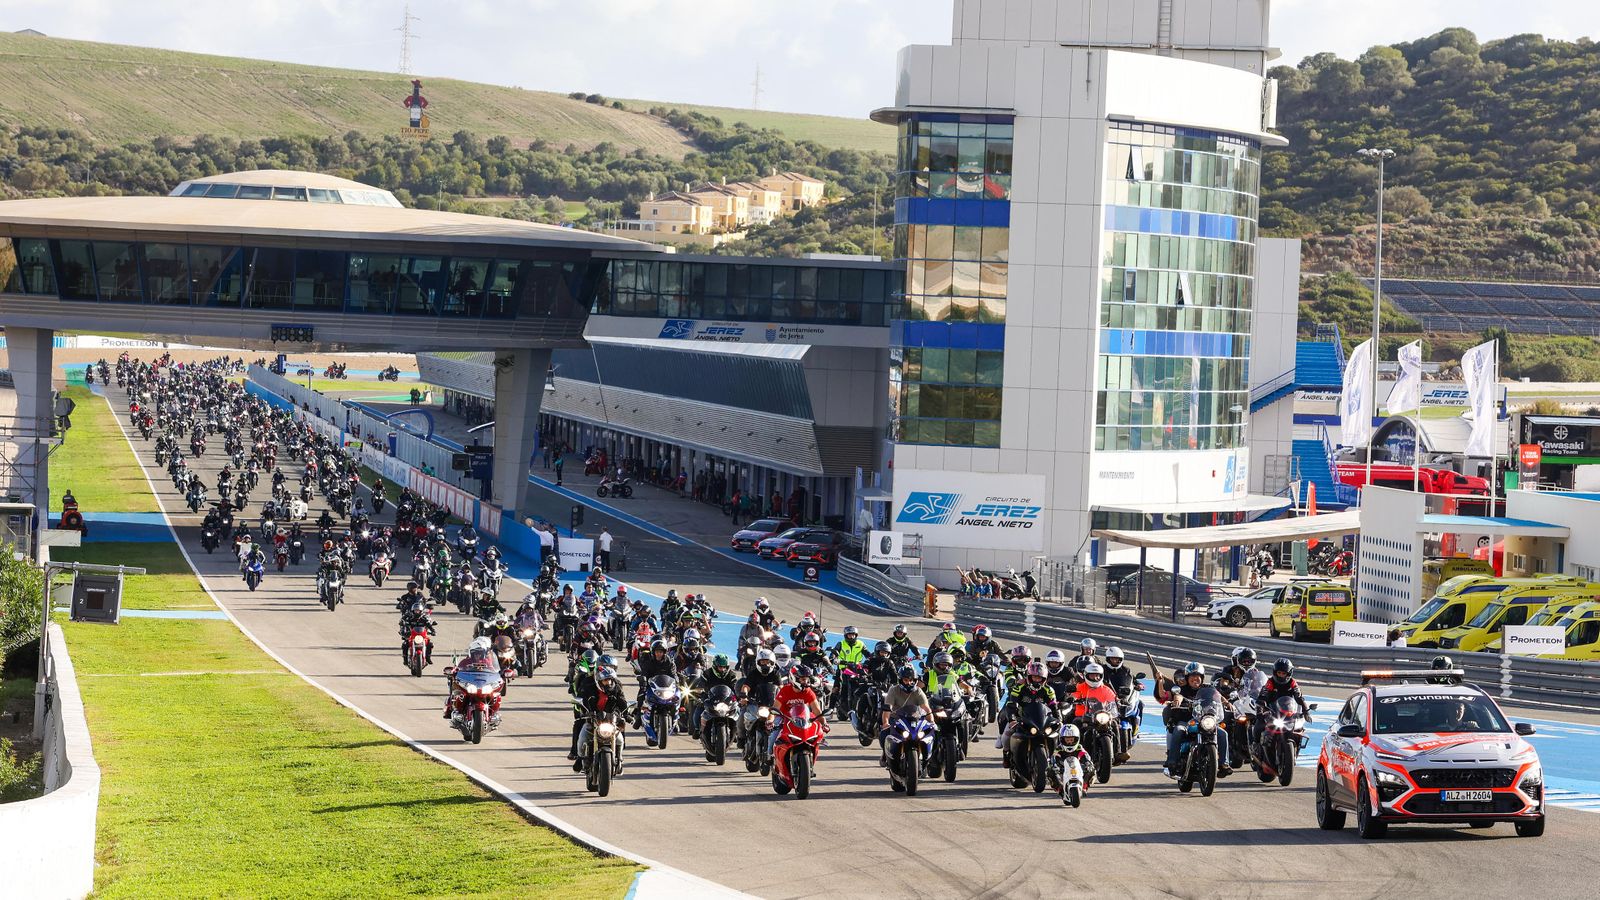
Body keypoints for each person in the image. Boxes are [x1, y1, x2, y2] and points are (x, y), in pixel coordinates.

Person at [1164, 662, 1232, 779]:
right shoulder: (1182, 689)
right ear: (1187, 678)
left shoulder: (1208, 688)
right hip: (1186, 721)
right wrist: (1177, 701)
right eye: (1192, 677)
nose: (1195, 679)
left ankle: (1223, 764)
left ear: (1202, 678)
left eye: (1198, 677)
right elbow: (1178, 696)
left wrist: (1226, 703)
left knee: (1222, 733)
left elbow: (1217, 696)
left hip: (1204, 720)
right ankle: (1172, 761)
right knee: (1178, 730)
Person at [572, 665, 629, 773]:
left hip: (610, 720)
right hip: (593, 719)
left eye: (610, 680)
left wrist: (627, 713)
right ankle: (580, 759)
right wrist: (584, 711)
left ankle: (620, 760)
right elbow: (582, 701)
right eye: (605, 680)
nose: (608, 683)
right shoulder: (589, 687)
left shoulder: (616, 688)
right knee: (583, 737)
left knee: (620, 739)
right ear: (599, 681)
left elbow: (622, 702)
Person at [769, 665, 828, 760]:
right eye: (803, 679)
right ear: (794, 678)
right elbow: (775, 709)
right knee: (774, 734)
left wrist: (824, 723)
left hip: (802, 719)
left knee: (816, 734)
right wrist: (770, 721)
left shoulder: (809, 692)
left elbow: (817, 711)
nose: (806, 682)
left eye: (807, 679)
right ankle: (769, 755)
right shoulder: (785, 690)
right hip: (784, 718)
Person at [1251, 658, 1311, 750]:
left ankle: (1296, 746)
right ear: (1275, 672)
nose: (1281, 675)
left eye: (1284, 673)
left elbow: (1299, 698)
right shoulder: (1270, 683)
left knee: (1299, 728)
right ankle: (1255, 744)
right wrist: (1260, 711)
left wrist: (1306, 711)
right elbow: (1262, 698)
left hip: (1288, 711)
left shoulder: (1293, 683)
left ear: (1289, 674)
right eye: (1279, 673)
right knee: (1259, 725)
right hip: (1272, 711)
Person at [879, 665, 932, 766]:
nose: (909, 682)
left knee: (932, 733)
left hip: (915, 720)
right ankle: (885, 754)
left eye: (912, 680)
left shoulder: (918, 691)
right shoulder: (893, 690)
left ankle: (929, 758)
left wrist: (932, 722)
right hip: (896, 719)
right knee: (884, 733)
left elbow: (926, 708)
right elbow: (887, 708)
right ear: (900, 680)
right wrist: (885, 723)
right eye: (906, 680)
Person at [634, 639, 677, 727]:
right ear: (653, 652)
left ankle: (675, 720)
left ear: (664, 652)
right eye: (657, 652)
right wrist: (643, 679)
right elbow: (644, 673)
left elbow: (673, 674)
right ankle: (638, 717)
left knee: (677, 697)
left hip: (666, 687)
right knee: (641, 694)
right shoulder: (648, 661)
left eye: (661, 652)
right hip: (651, 685)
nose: (659, 654)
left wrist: (677, 681)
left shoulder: (669, 662)